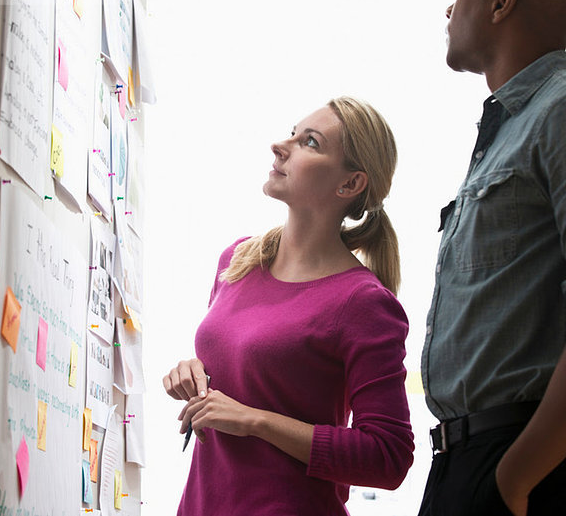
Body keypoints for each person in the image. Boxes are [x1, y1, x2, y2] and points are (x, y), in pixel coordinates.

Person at [163, 96, 414, 515]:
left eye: (310, 142)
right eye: (292, 132)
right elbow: (258, 369)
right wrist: (193, 373)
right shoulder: (238, 261)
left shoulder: (363, 303)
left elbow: (388, 457)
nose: (281, 145)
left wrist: (254, 420)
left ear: (350, 184)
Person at [419, 0, 566, 516]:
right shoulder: (510, 127)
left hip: (522, 463)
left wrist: (514, 479)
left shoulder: (559, 109)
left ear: (501, 2)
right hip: (469, 459)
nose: (449, 10)